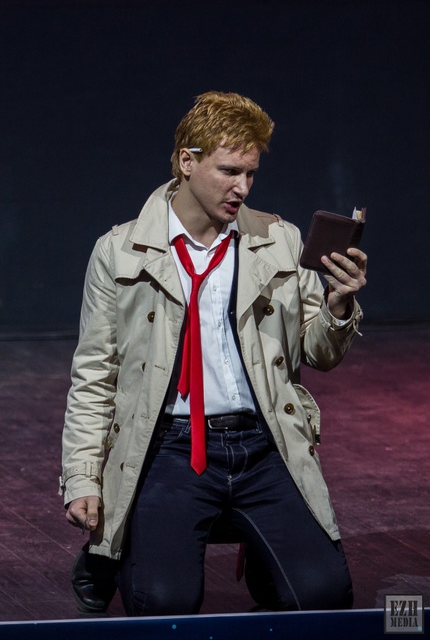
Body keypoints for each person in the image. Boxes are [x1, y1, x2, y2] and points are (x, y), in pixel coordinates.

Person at [61, 91, 367, 616]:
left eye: (250, 174)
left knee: (324, 598)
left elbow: (319, 353)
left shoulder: (279, 240)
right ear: (187, 161)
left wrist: (339, 307)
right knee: (164, 607)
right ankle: (109, 550)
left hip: (263, 442)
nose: (241, 187)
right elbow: (94, 375)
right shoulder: (120, 251)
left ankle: (265, 555)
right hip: (168, 447)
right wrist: (83, 477)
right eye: (229, 171)